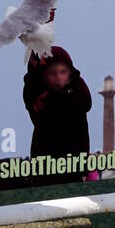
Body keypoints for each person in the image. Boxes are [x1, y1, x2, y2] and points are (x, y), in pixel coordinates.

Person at [23, 47, 91, 182]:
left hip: (73, 160)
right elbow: (31, 89)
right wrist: (36, 61)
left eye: (63, 72)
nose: (59, 77)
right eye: (53, 73)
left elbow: (86, 103)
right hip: (46, 161)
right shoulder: (37, 95)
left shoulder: (76, 86)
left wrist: (55, 94)